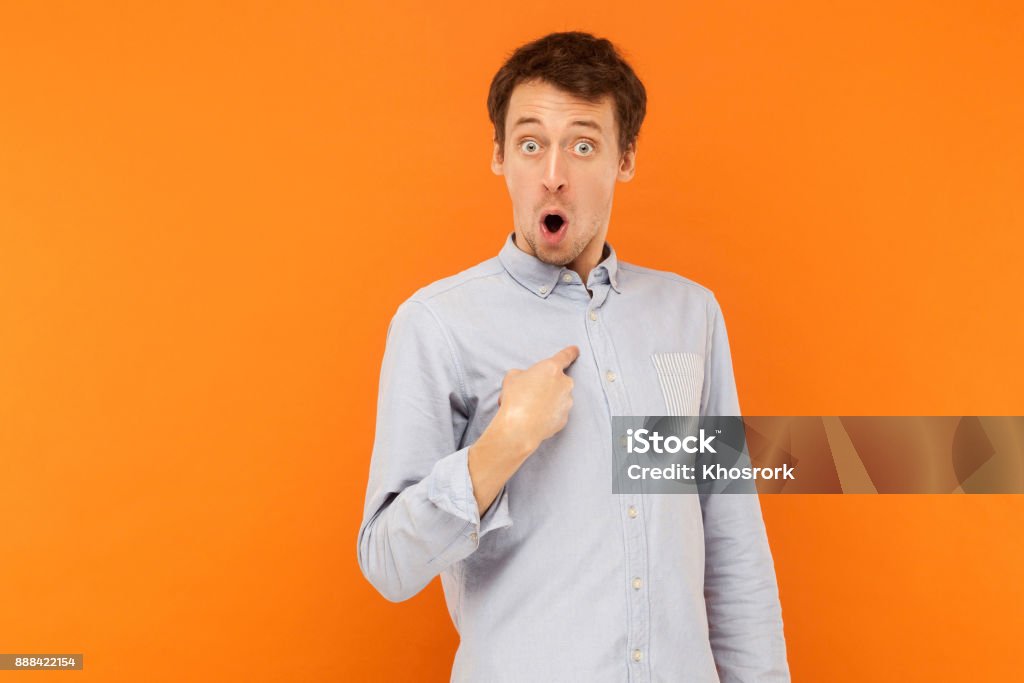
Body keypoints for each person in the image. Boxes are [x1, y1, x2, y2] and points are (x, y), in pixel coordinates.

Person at [357, 31, 790, 682]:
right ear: (501, 155)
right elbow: (388, 563)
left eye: (583, 145)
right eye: (531, 144)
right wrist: (503, 442)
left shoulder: (689, 315)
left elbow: (731, 540)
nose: (554, 173)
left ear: (626, 159)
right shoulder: (437, 325)